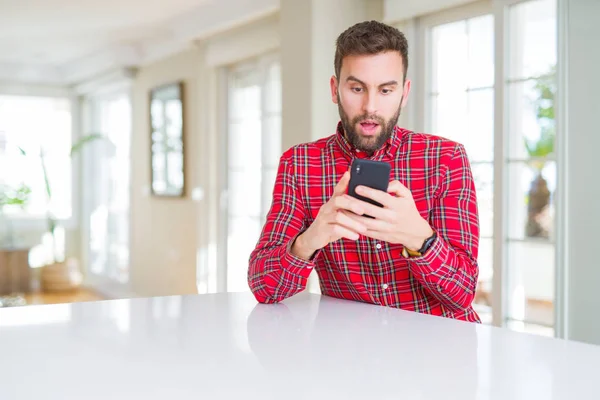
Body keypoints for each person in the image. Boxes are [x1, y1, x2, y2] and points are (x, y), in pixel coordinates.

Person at [247, 20, 480, 322]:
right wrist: (310, 239)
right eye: (357, 88)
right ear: (335, 89)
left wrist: (420, 238)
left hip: (441, 353)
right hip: (352, 353)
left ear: (404, 93)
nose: (370, 106)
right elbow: (264, 288)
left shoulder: (446, 158)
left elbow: (461, 295)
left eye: (385, 90)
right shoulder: (300, 164)